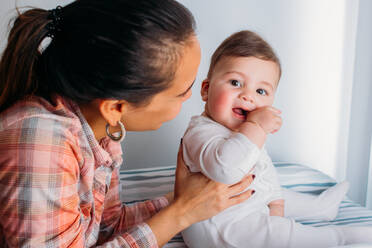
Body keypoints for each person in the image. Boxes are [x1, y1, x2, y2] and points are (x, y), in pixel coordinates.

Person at [0, 1, 256, 247]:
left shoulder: (100, 129)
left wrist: (181, 200)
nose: (191, 96)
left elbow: (105, 226)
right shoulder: (40, 145)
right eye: (182, 92)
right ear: (115, 108)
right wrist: (181, 214)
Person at [181, 30, 372, 248]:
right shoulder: (200, 132)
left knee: (269, 187)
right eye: (235, 82)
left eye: (261, 90)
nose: (248, 95)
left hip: (244, 204)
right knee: (295, 235)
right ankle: (342, 238)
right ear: (206, 90)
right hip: (224, 232)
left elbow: (264, 166)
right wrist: (255, 127)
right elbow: (226, 170)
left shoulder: (243, 132)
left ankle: (319, 207)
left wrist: (276, 202)